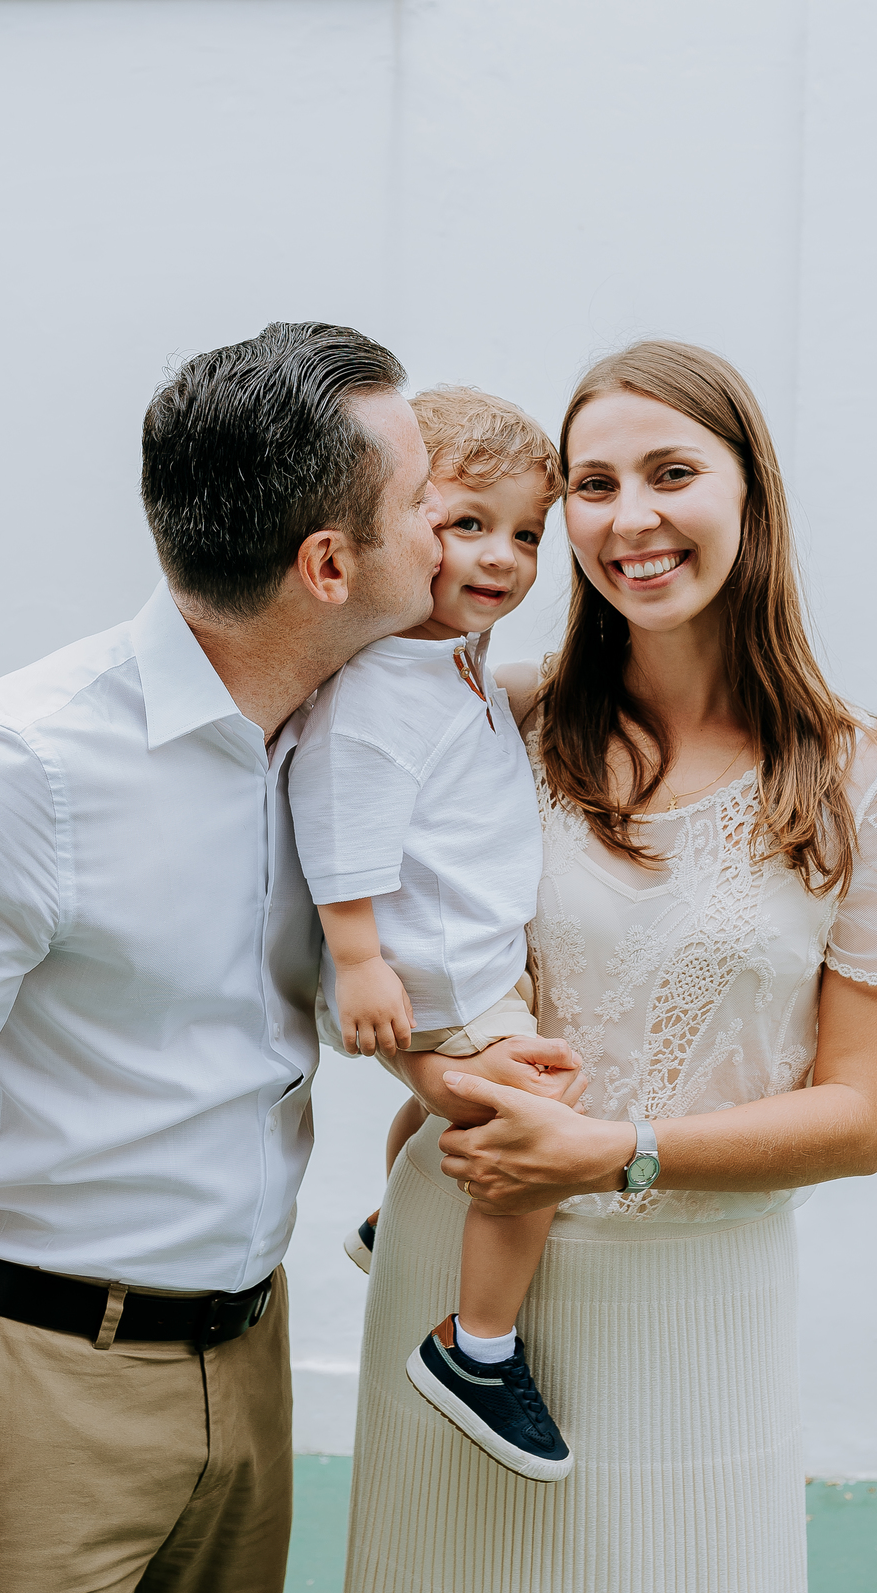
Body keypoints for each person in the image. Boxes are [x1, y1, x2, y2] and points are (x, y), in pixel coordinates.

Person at [0, 322, 582, 1593]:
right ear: (328, 563)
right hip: (33, 1373)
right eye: (431, 497)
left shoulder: (346, 727)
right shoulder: (28, 766)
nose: (466, 529)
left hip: (249, 1349)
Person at [331, 341, 877, 1593]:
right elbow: (378, 931)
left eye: (673, 473)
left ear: (754, 495)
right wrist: (441, 1091)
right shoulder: (506, 716)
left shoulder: (869, 778)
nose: (630, 517)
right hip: (465, 1278)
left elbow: (862, 1115)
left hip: (693, 1308)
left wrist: (612, 1152)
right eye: (594, 484)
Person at [291, 386, 573, 1481]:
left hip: (465, 960)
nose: (501, 556)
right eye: (468, 525)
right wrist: (358, 961)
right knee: (533, 1131)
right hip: (430, 975)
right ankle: (478, 1347)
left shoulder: (450, 656)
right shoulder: (374, 692)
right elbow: (340, 822)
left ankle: (389, 1217)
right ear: (398, 524)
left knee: (445, 1104)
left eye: (526, 534)